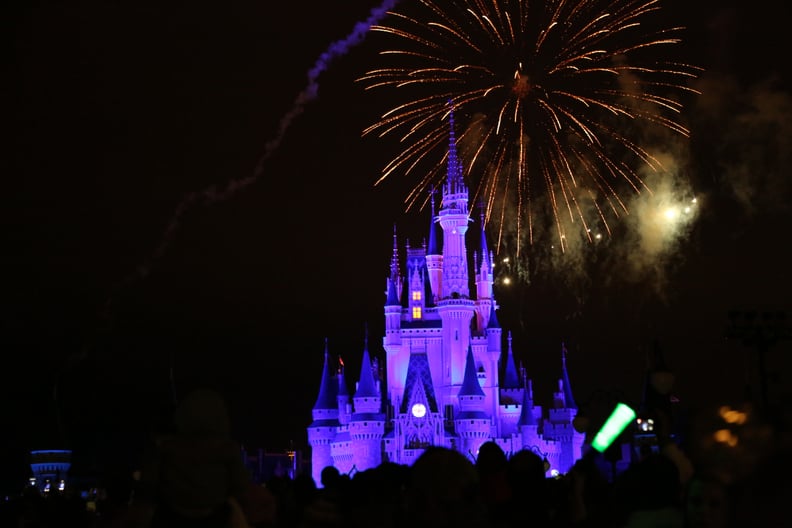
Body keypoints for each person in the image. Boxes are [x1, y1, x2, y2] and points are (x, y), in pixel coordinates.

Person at [129, 388, 252, 528]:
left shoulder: (166, 448)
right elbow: (242, 487)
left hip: (171, 516)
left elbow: (148, 485)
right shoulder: (227, 449)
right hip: (215, 516)